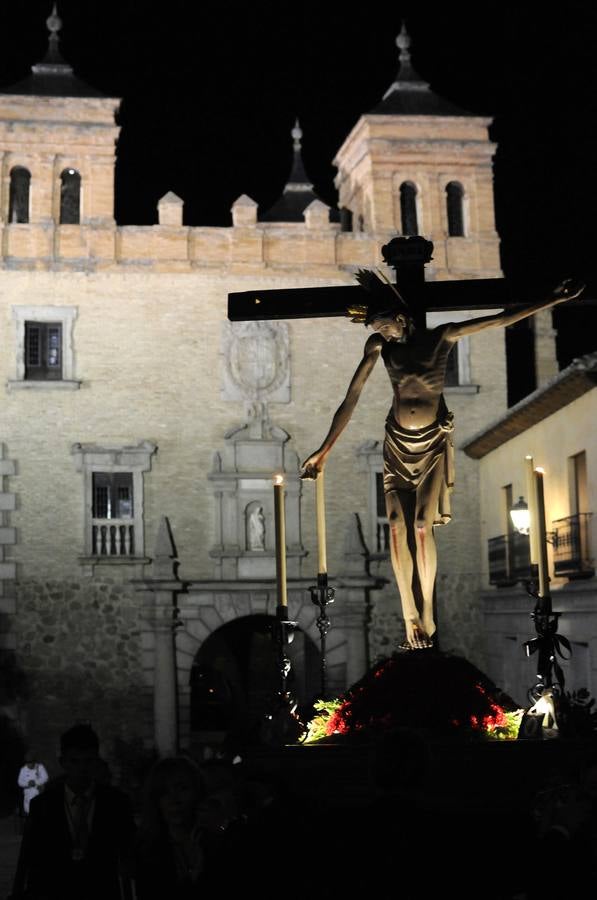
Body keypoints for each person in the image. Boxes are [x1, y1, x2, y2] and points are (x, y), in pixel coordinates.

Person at [301, 269, 584, 650]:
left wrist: (553, 299)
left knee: (421, 526)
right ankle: (409, 616)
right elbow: (350, 399)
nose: (382, 335)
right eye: (378, 330)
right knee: (399, 528)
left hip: (432, 444)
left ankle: (428, 614)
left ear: (401, 319)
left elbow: (498, 319)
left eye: (385, 328)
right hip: (397, 446)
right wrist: (325, 449)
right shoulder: (378, 347)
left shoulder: (443, 337)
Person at [20, 722, 136, 900]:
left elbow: (129, 856)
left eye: (88, 761)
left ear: (96, 761)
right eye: (75, 761)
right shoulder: (42, 806)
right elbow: (31, 860)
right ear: (63, 763)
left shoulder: (117, 803)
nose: (81, 769)